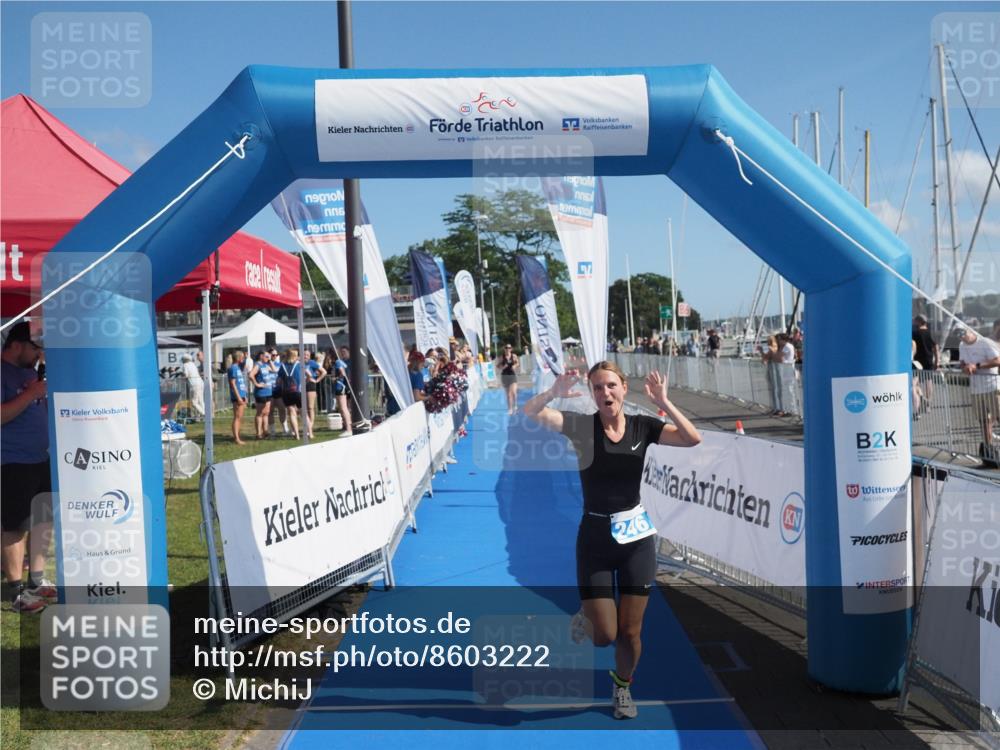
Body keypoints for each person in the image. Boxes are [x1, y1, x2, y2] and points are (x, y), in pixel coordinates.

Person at [524, 362, 701, 719]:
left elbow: (691, 438)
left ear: (623, 387)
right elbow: (531, 413)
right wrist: (554, 394)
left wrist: (664, 402)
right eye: (598, 388)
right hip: (595, 539)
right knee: (604, 635)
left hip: (636, 540)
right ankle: (589, 614)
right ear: (592, 394)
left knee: (630, 632)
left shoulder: (643, 426)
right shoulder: (581, 428)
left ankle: (622, 688)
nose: (605, 394)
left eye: (611, 386)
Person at [1, 322, 55, 613]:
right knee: (15, 525)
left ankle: (36, 579)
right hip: (11, 460)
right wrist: (30, 394)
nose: (39, 355)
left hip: (40, 458)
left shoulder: (32, 373)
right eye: (35, 348)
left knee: (43, 521)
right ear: (17, 345)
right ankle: (16, 589)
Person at [958, 327, 1000, 467]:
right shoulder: (961, 345)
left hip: (992, 387)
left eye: (962, 332)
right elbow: (962, 362)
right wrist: (964, 367)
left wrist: (976, 366)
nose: (961, 336)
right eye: (957, 334)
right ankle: (989, 454)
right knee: (983, 422)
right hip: (976, 389)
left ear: (970, 331)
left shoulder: (985, 342)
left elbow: (997, 360)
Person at [912, 315, 938, 411]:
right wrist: (937, 361)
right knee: (929, 382)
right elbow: (936, 348)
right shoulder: (930, 333)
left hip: (917, 361)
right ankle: (928, 404)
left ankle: (918, 403)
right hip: (928, 360)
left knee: (915, 382)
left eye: (915, 321)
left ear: (919, 321)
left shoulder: (914, 333)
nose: (913, 323)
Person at [249, 350, 277, 440]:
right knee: (260, 413)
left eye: (268, 356)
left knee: (266, 412)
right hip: (261, 392)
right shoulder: (258, 365)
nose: (268, 358)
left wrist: (270, 361)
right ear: (261, 356)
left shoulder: (266, 365)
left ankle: (265, 431)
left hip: (268, 391)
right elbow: (251, 375)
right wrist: (257, 384)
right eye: (266, 356)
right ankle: (258, 433)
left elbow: (274, 370)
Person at [277, 348, 303, 440]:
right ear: (295, 356)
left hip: (286, 392)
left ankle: (297, 435)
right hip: (297, 391)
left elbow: (279, 381)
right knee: (303, 412)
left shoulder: (282, 366)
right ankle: (309, 432)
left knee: (292, 413)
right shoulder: (299, 365)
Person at [304, 351, 327, 440]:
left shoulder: (312, 363)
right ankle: (308, 427)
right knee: (303, 408)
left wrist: (317, 380)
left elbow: (324, 372)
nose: (305, 356)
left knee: (310, 407)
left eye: (307, 355)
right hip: (301, 386)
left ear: (310, 357)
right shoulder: (299, 363)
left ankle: (310, 427)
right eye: (304, 354)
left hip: (310, 385)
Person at [227, 350, 248, 445]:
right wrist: (239, 397)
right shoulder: (233, 368)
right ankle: (236, 438)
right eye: (242, 357)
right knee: (237, 417)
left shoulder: (237, 368)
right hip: (237, 396)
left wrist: (244, 395)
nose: (243, 359)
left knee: (240, 417)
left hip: (241, 395)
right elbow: (233, 384)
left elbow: (241, 383)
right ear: (239, 358)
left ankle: (237, 436)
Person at [334, 346, 352, 436]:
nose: (342, 354)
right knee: (346, 408)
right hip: (346, 386)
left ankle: (348, 429)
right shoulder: (345, 362)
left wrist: (336, 378)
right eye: (341, 352)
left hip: (340, 386)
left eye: (344, 352)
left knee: (343, 408)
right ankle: (348, 427)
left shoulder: (338, 362)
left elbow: (342, 373)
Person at [498, 344, 520, 415]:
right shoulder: (502, 357)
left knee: (514, 392)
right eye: (506, 348)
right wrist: (503, 367)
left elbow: (517, 363)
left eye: (509, 348)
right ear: (504, 349)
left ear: (511, 349)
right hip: (505, 376)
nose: (508, 349)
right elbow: (498, 366)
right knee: (508, 394)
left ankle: (515, 406)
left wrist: (515, 366)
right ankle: (510, 409)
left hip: (512, 375)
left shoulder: (514, 356)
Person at [181, 354, 205, 418]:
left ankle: (204, 413)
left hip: (194, 384)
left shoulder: (185, 365)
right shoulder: (193, 364)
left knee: (194, 403)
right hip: (200, 382)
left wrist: (182, 376)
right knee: (200, 400)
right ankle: (200, 416)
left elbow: (186, 375)